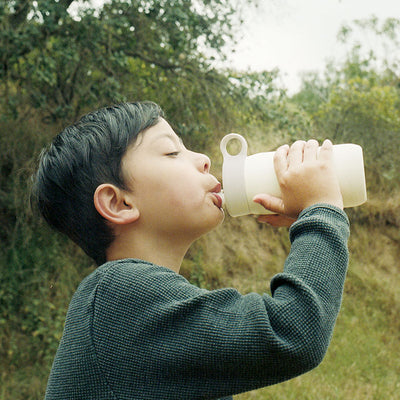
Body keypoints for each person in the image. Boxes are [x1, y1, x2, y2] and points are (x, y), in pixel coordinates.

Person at [31, 101, 349, 400]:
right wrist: (321, 209)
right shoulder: (118, 295)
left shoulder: (139, 307)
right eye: (172, 152)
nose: (203, 159)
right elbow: (293, 330)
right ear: (119, 203)